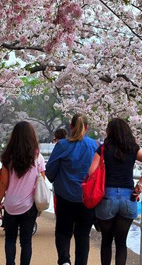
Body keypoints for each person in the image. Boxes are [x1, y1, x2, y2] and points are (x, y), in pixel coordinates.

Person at [88, 118, 142, 265]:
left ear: (109, 132)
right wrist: (140, 183)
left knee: (106, 240)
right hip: (128, 198)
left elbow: (92, 171)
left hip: (107, 197)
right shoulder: (132, 148)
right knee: (121, 242)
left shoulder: (103, 148)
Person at [46, 114, 98, 265]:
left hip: (65, 196)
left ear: (71, 126)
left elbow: (50, 172)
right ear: (87, 127)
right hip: (87, 198)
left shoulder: (62, 145)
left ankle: (64, 261)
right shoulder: (95, 146)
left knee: (63, 231)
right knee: (83, 235)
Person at [0, 122, 45, 265]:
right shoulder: (37, 157)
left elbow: (3, 183)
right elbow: (41, 180)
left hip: (10, 204)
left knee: (10, 239)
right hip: (29, 205)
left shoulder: (7, 157)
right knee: (26, 241)